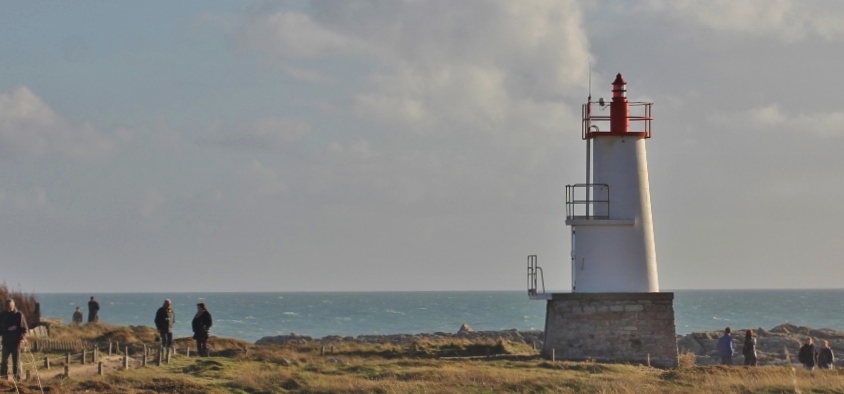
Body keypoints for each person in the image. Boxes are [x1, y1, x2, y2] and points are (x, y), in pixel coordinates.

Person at [0, 298, 28, 381]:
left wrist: (22, 339)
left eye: (11, 306)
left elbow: (25, 329)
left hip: (16, 343)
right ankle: (4, 379)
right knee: (4, 362)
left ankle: (17, 379)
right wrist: (7, 329)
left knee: (16, 363)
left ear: (13, 305)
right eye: (8, 307)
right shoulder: (3, 315)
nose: (9, 308)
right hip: (5, 342)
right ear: (5, 306)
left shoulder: (19, 315)